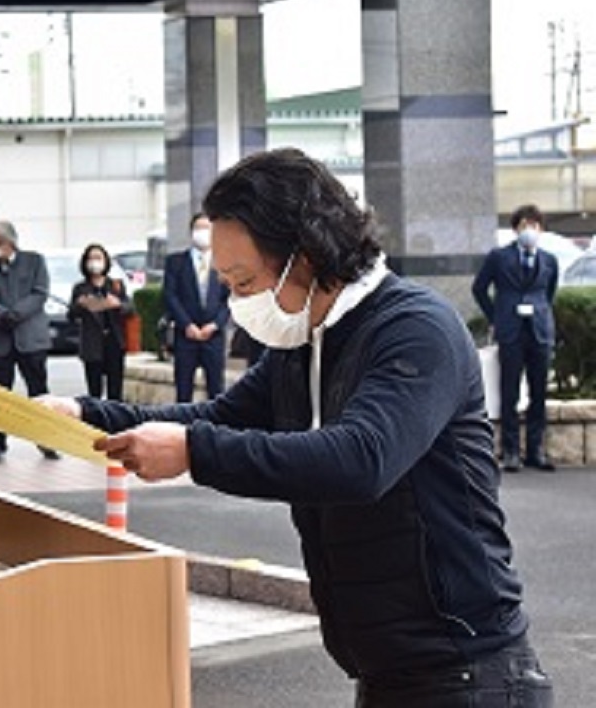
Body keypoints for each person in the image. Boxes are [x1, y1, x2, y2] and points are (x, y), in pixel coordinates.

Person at [42, 149, 553, 707]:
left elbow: (361, 459)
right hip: (388, 673)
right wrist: (84, 414)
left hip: (470, 674)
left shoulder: (415, 329)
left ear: (305, 256)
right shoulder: (304, 343)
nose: (237, 301)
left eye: (243, 281)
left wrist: (194, 452)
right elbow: (217, 416)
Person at [471, 205, 559, 472]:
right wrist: (495, 316)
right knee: (509, 391)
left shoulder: (549, 260)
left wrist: (542, 313)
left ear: (541, 229)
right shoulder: (499, 257)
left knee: (539, 392)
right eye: (524, 225)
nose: (529, 230)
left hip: (539, 331)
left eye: (534, 225)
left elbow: (549, 292)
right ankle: (510, 451)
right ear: (516, 228)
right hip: (511, 330)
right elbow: (479, 289)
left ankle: (536, 450)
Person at [0, 220, 57, 462]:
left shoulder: (34, 261)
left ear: (9, 242)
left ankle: (47, 441)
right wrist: (1, 314)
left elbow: (40, 293)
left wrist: (17, 314)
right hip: (2, 339)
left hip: (30, 338)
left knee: (39, 392)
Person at [163, 212, 230, 402]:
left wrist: (216, 324)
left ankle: (215, 429)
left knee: (216, 389)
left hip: (213, 335)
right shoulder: (176, 262)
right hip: (185, 336)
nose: (202, 233)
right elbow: (170, 295)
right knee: (183, 389)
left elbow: (230, 298)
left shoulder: (223, 262)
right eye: (199, 228)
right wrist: (187, 325)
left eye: (207, 228)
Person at [68, 243, 134, 400]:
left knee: (115, 389)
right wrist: (81, 305)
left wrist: (116, 304)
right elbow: (71, 315)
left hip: (114, 342)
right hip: (92, 344)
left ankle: (116, 420)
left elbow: (129, 308)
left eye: (98, 258)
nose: (94, 262)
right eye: (90, 258)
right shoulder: (80, 288)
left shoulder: (116, 285)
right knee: (94, 390)